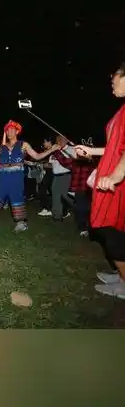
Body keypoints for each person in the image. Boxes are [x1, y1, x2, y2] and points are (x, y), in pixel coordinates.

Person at [75, 63, 125, 299]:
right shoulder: (121, 111)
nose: (111, 82)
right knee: (110, 228)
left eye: (114, 77)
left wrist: (116, 176)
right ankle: (120, 273)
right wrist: (91, 151)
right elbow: (115, 147)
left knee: (114, 234)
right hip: (112, 177)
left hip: (119, 182)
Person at [0, 120, 58, 232]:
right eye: (8, 130)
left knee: (16, 198)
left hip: (16, 177)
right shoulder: (2, 147)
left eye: (12, 130)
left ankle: (21, 223)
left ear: (17, 132)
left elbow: (37, 156)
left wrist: (51, 149)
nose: (9, 132)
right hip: (3, 177)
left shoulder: (23, 145)